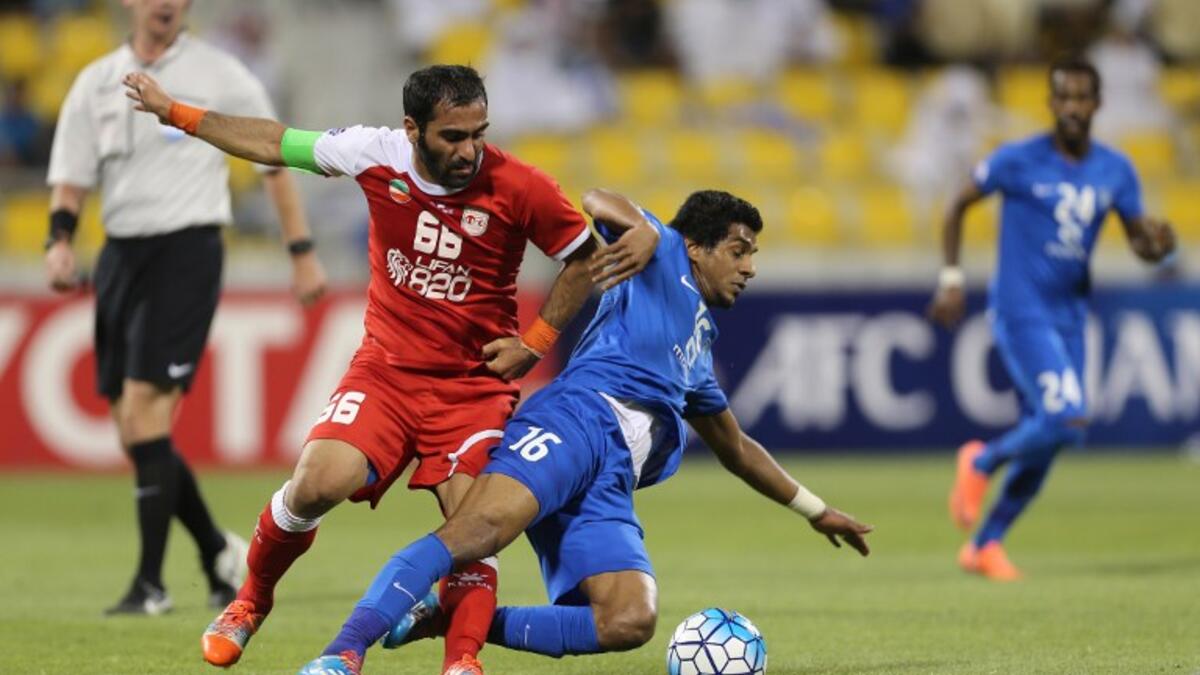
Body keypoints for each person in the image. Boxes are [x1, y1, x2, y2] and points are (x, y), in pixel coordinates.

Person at [123, 65, 657, 675]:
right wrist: (177, 114)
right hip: (386, 372)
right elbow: (276, 141)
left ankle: (462, 661)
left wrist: (535, 341)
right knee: (316, 484)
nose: (470, 150)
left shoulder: (522, 187)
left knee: (476, 524)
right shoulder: (374, 154)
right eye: (453, 136)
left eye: (479, 132)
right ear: (412, 130)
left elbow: (584, 258)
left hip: (472, 388)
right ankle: (250, 601)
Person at [296, 189, 874, 674]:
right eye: (739, 251)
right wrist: (645, 229)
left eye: (753, 254)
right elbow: (598, 198)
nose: (749, 267)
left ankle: (440, 615)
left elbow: (737, 448)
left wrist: (814, 509)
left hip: (610, 479)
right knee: (477, 531)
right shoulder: (663, 252)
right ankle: (341, 653)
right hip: (577, 419)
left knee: (629, 620)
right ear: (697, 248)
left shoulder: (699, 350)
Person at [45, 0, 327, 617]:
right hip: (121, 254)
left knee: (146, 414)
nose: (165, 3)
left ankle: (151, 584)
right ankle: (216, 552)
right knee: (132, 426)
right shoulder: (95, 81)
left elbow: (277, 160)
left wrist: (301, 250)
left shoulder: (222, 73)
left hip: (188, 249)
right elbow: (71, 172)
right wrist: (59, 239)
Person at [928, 57, 1176, 581]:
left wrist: (1156, 248)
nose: (1072, 107)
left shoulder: (1115, 169)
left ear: (1097, 103)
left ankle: (985, 544)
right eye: (1063, 97)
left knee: (1058, 432)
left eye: (1082, 97)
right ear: (1051, 102)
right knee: (1066, 417)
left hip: (1070, 316)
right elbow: (957, 204)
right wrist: (951, 279)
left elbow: (1139, 242)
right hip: (1021, 310)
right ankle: (980, 461)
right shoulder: (1018, 160)